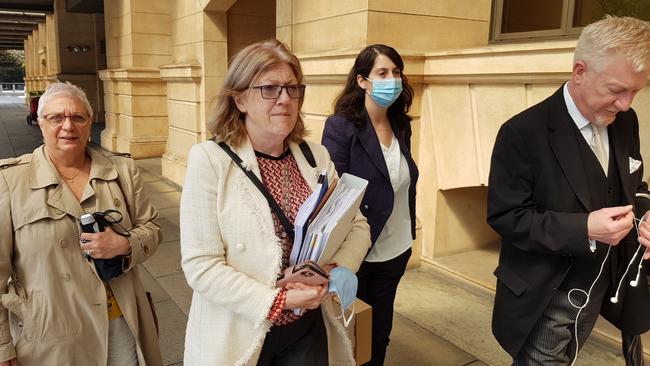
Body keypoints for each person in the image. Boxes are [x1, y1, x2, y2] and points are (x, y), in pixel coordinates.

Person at [179, 39, 371, 366]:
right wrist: (278, 298)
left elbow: (357, 224)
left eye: (292, 88)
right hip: (242, 328)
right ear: (239, 98)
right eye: (269, 89)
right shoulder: (209, 160)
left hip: (306, 324)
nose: (284, 99)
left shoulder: (316, 156)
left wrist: (334, 272)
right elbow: (201, 266)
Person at [487, 15, 650, 365]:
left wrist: (647, 215)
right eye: (616, 90)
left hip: (603, 288)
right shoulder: (521, 132)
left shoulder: (627, 122)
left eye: (636, 91)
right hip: (545, 297)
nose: (626, 104)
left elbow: (636, 186)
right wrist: (584, 229)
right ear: (579, 72)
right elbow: (506, 217)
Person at [0, 82, 162, 366]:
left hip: (119, 324)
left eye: (78, 117)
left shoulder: (122, 171)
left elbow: (152, 227)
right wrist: (3, 347)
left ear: (89, 123)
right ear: (40, 124)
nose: (68, 126)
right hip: (52, 335)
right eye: (56, 118)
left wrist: (126, 244)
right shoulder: (9, 181)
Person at [322, 44, 419, 365]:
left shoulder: (401, 125)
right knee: (348, 331)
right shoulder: (342, 127)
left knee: (379, 331)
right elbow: (331, 195)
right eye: (382, 73)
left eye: (396, 72)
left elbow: (402, 184)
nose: (392, 79)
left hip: (396, 249)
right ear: (362, 80)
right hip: (358, 251)